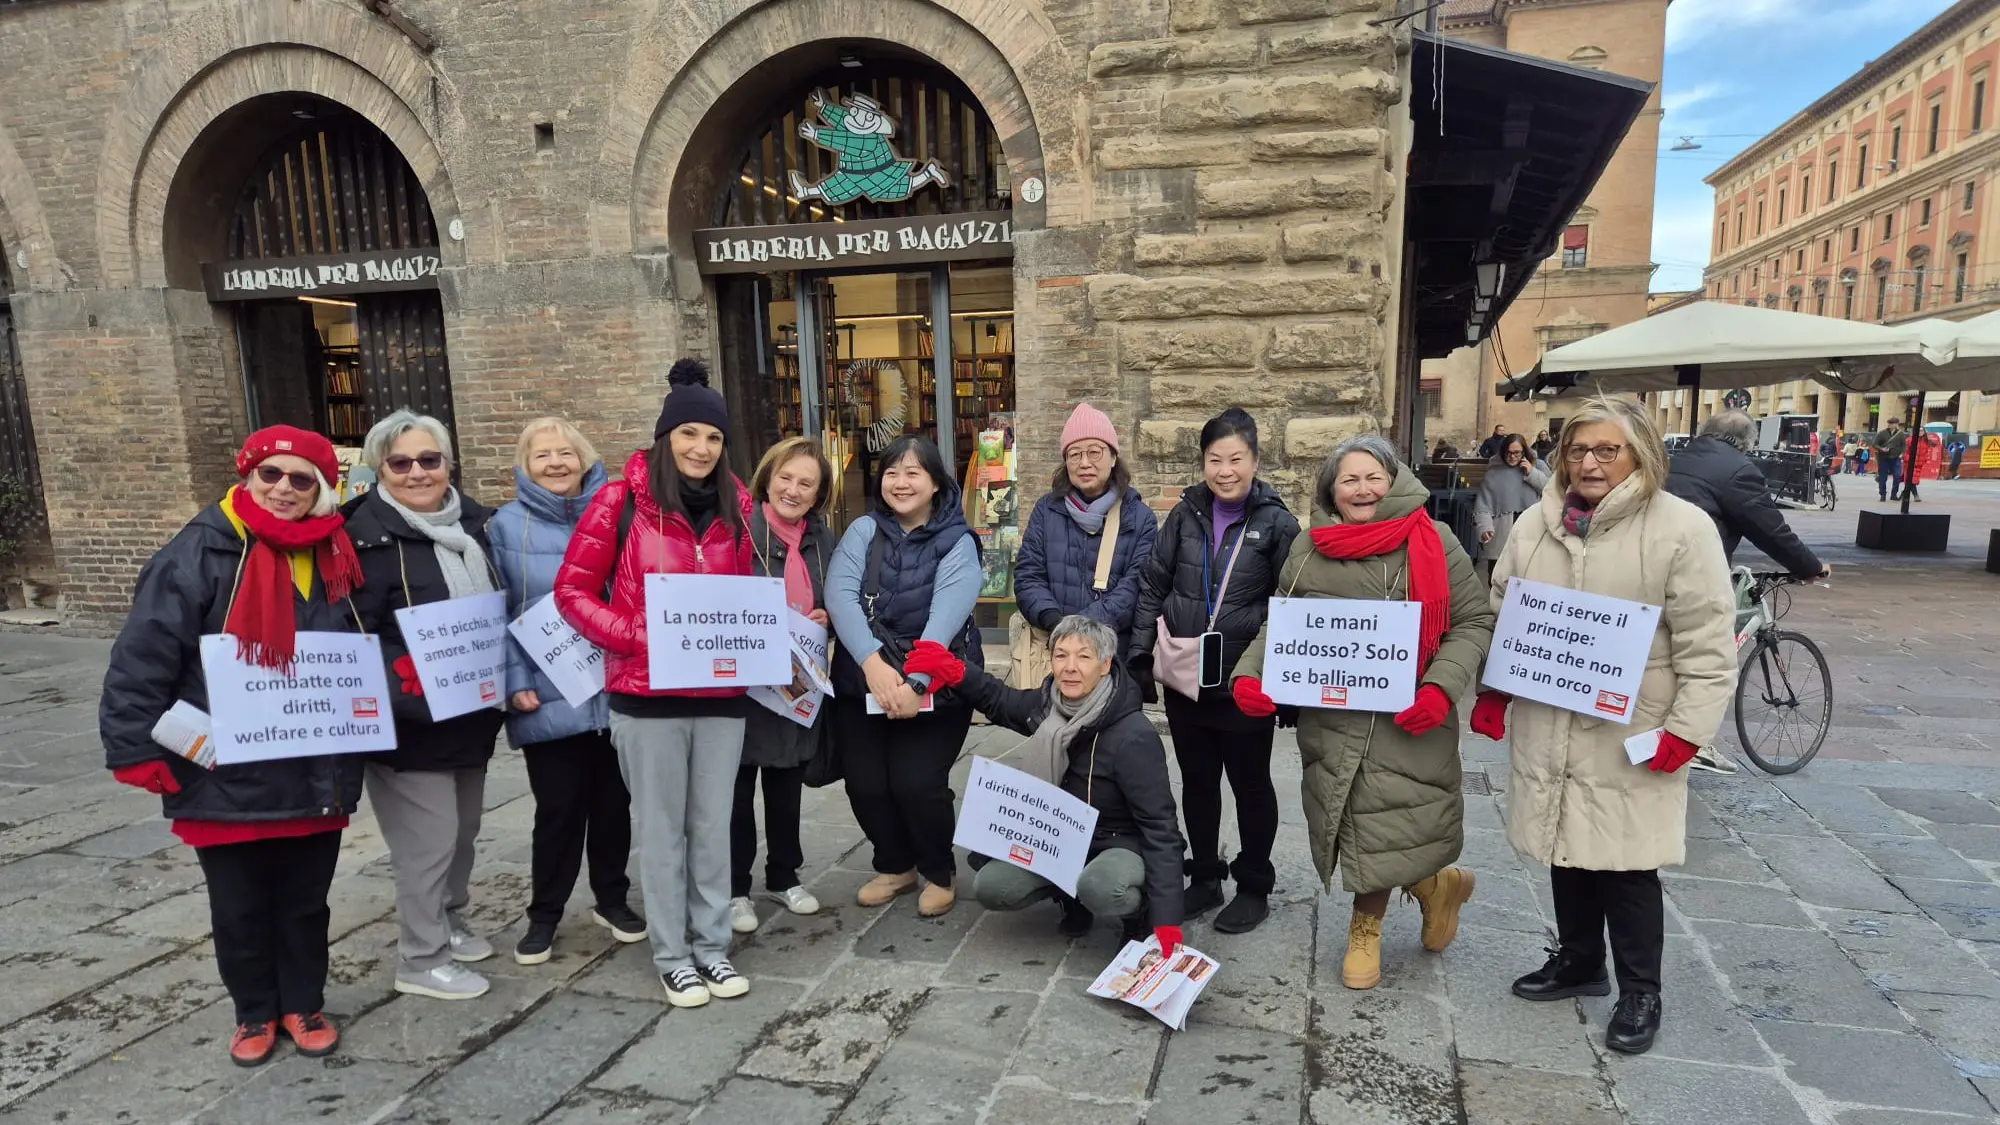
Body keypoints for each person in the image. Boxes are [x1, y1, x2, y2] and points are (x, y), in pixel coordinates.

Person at [1471, 395, 1736, 1057]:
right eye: (1577, 449)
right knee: (1565, 842)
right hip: (1549, 712)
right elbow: (1508, 611)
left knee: (1627, 862)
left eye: (1606, 449)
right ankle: (1580, 960)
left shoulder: (1681, 528)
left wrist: (1688, 730)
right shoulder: (1537, 523)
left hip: (1631, 724)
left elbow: (1706, 642)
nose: (1589, 462)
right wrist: (1495, 689)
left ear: (1638, 452)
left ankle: (1641, 990)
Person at [100, 426, 364, 1066]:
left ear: (322, 490)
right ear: (247, 476)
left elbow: (363, 639)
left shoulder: (336, 551)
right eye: (271, 475)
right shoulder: (195, 554)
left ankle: (302, 1002)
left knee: (305, 901)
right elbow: (143, 655)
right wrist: (134, 746)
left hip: (311, 764)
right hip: (222, 770)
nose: (283, 490)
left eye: (302, 480)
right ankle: (252, 1011)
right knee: (239, 905)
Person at [1228, 436, 1493, 989]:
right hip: (1331, 717)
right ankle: (1434, 887)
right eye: (1349, 480)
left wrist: (1441, 689)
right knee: (1352, 823)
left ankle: (1364, 927)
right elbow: (1281, 626)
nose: (1363, 489)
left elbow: (1472, 622)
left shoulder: (1434, 540)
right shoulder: (1308, 547)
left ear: (1393, 479)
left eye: (1373, 477)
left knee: (1385, 819)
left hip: (1408, 717)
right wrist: (1250, 675)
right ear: (1331, 489)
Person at [554, 360, 757, 1009]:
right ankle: (673, 954)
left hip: (722, 696)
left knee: (713, 825)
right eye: (689, 433)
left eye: (714, 438)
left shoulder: (740, 506)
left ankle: (712, 946)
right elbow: (572, 591)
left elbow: (750, 590)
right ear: (666, 435)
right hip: (646, 697)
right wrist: (637, 632)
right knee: (664, 830)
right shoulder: (619, 501)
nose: (701, 448)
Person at [345, 411, 506, 1002]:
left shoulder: (479, 525)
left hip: (469, 714)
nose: (417, 473)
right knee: (428, 840)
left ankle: (448, 919)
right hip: (408, 722)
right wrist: (405, 681)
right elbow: (347, 634)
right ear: (379, 468)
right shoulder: (358, 537)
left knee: (463, 832)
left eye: (429, 460)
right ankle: (421, 956)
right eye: (400, 463)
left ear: (449, 463)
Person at [902, 617, 1186, 950]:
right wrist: (957, 672)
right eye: (1061, 656)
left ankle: (1139, 911)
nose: (1070, 667)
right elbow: (1001, 700)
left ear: (1105, 664)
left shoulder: (1133, 734)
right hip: (1057, 838)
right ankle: (1070, 895)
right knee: (992, 886)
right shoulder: (1048, 705)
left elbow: (1160, 827)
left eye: (1084, 657)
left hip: (1117, 841)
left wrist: (1167, 920)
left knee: (1101, 886)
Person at [1131, 408, 1300, 934]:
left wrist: (1286, 687)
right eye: (1214, 459)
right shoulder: (1184, 516)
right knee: (1198, 782)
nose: (1225, 470)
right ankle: (1204, 876)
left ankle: (1253, 884)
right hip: (1186, 679)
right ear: (1202, 462)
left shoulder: (1277, 523)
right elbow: (1153, 585)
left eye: (1236, 459)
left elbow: (1292, 605)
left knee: (1251, 785)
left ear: (1254, 459)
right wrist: (1140, 657)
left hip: (1243, 683)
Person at [487, 417, 645, 966]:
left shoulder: (621, 513)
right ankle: (544, 915)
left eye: (565, 453)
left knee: (614, 805)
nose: (555, 463)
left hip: (615, 683)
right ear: (524, 467)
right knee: (557, 809)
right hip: (547, 691)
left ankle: (612, 899)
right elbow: (498, 609)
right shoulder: (505, 527)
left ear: (584, 458)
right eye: (541, 456)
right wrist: (514, 680)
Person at [825, 434, 983, 918]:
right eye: (892, 471)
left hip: (935, 683)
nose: (901, 481)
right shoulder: (863, 532)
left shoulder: (958, 541)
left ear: (936, 482)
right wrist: (872, 666)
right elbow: (840, 596)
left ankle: (938, 869)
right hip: (865, 680)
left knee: (918, 781)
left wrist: (914, 686)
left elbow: (944, 622)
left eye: (914, 472)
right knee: (866, 783)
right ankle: (895, 865)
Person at [729, 437, 838, 935]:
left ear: (818, 496)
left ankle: (783, 874)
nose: (793, 490)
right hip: (745, 682)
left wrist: (827, 616)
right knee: (736, 787)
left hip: (797, 681)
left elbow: (838, 597)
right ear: (767, 478)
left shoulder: (822, 540)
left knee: (786, 782)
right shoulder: (737, 529)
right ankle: (734, 888)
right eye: (786, 478)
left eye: (806, 484)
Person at [1011, 402, 1157, 678]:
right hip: (1053, 652)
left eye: (1095, 452)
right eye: (1075, 454)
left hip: (1112, 657)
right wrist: (1055, 622)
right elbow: (1028, 576)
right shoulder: (1046, 510)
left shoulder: (1139, 518)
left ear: (1113, 457)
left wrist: (1085, 628)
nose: (1085, 463)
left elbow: (1137, 585)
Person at [1472, 433, 1546, 582]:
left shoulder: (1538, 466)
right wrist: (1485, 527)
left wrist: (1531, 473)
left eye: (1517, 453)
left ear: (1524, 452)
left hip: (1530, 531)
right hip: (1502, 533)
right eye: (1509, 453)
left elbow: (1551, 490)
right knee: (1498, 579)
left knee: (1528, 578)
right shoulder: (1494, 472)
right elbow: (1483, 505)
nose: (1512, 457)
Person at [1871, 417, 1906, 501]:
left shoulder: (1900, 434)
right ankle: (1882, 494)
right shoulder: (1882, 433)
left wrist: (1902, 454)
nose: (1891, 425)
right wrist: (1881, 449)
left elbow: (1903, 445)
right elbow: (1874, 444)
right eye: (1890, 423)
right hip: (1884, 458)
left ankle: (1894, 495)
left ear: (1897, 424)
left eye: (1894, 423)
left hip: (1896, 458)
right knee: (1883, 477)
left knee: (1897, 476)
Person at [1908, 429, 1943, 502]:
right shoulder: (1910, 440)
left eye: (1922, 431)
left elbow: (1927, 452)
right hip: (1910, 464)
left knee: (1910, 480)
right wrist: (1907, 459)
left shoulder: (1925, 441)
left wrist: (1925, 460)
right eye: (1919, 430)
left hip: (1919, 464)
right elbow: (1906, 451)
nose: (1920, 432)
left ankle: (1905, 493)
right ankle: (1916, 495)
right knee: (1912, 479)